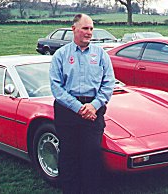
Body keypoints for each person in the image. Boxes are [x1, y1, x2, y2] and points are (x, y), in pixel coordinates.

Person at [49, 13, 115, 194]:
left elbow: (109, 83)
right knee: (69, 155)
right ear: (74, 29)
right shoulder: (61, 55)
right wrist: (79, 108)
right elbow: (56, 87)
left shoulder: (101, 55)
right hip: (67, 111)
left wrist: (94, 105)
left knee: (92, 154)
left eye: (91, 29)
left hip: (94, 111)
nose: (89, 32)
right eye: (85, 28)